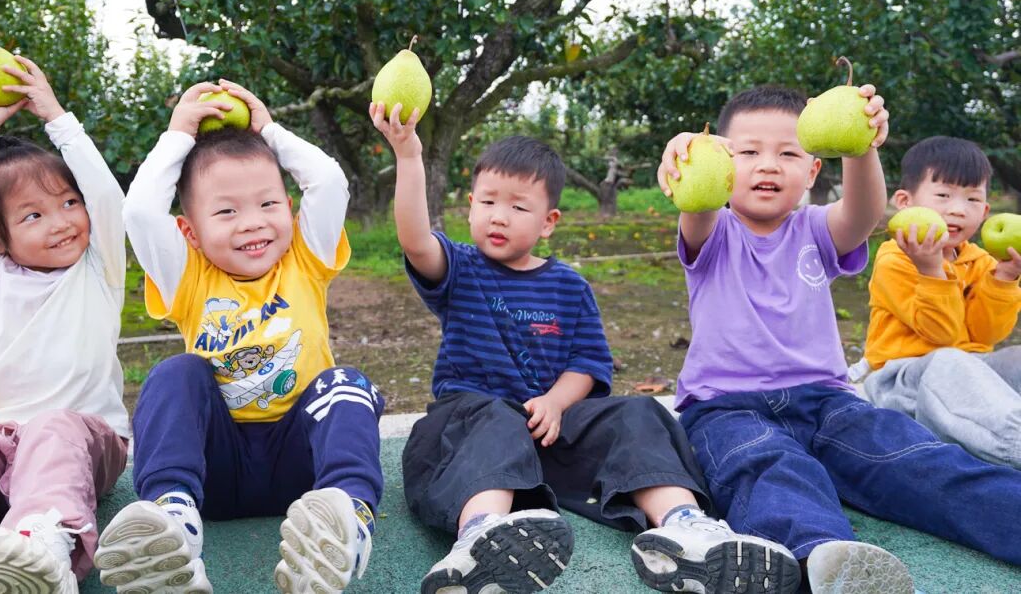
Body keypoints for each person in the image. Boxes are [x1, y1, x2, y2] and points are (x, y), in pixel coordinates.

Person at [370, 101, 800, 594]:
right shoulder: (460, 269)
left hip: (552, 435)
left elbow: (587, 364)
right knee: (495, 418)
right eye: (487, 202)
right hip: (472, 431)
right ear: (469, 205)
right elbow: (414, 238)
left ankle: (683, 526)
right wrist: (407, 155)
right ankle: (481, 536)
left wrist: (556, 401)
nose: (498, 216)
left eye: (517, 206)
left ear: (549, 222)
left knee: (638, 412)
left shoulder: (569, 286)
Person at [661, 85, 1021, 593]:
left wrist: (863, 144)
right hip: (727, 407)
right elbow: (696, 206)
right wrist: (685, 157)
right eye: (747, 152)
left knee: (916, 459)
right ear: (722, 163)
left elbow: (865, 213)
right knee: (772, 469)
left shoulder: (814, 229)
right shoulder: (715, 230)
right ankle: (827, 564)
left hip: (829, 402)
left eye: (788, 153)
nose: (768, 165)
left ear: (811, 172)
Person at [95, 81, 382, 594]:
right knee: (175, 373)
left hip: (305, 474)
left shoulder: (306, 258)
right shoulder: (189, 276)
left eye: (268, 204)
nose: (253, 223)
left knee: (347, 384)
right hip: (214, 469)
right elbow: (139, 213)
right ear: (189, 232)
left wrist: (268, 129)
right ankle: (172, 521)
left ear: (290, 210)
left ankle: (348, 519)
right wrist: (179, 134)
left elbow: (330, 183)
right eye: (226, 212)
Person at [0, 58, 129, 594]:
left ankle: (42, 547)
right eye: (33, 215)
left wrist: (53, 113)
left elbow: (107, 197)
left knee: (52, 428)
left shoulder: (99, 268)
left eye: (69, 203)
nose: (62, 221)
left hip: (83, 440)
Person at [856, 136, 1021, 467]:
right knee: (949, 360)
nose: (958, 209)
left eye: (973, 199)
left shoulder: (980, 261)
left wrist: (1004, 280)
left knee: (1015, 358)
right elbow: (941, 336)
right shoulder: (896, 258)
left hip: (963, 374)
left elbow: (985, 335)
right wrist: (932, 271)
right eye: (943, 195)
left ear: (986, 211)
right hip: (900, 382)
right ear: (905, 201)